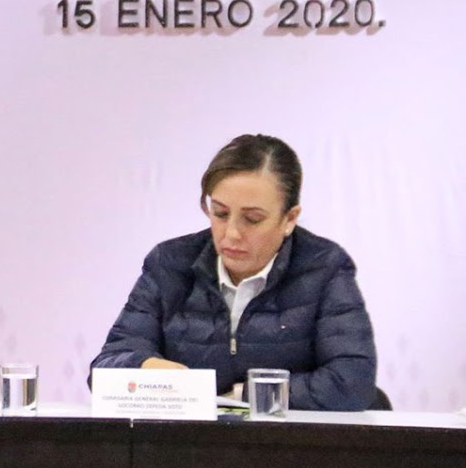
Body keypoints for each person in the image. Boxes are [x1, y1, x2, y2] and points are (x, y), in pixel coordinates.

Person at [91, 134, 377, 410]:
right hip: (191, 439)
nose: (231, 234)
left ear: (289, 219)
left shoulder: (324, 268)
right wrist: (145, 367)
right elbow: (104, 369)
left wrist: (245, 395)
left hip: (288, 439)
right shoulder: (169, 263)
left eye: (252, 219)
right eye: (220, 213)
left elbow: (351, 381)